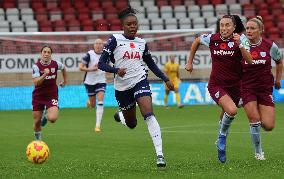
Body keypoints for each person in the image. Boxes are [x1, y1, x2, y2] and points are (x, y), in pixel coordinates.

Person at [98, 6, 174, 167]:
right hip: (122, 87)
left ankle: (160, 154)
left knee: (148, 113)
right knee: (132, 124)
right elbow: (101, 63)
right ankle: (122, 116)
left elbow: (150, 63)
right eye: (129, 24)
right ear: (123, 26)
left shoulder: (142, 43)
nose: (133, 26)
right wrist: (116, 70)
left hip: (140, 80)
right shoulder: (114, 40)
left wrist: (165, 78)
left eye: (135, 24)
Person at [185, 15, 252, 163]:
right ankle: (222, 138)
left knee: (225, 114)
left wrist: (240, 44)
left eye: (227, 25)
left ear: (234, 27)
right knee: (232, 110)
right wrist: (190, 62)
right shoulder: (213, 38)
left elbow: (249, 60)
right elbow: (196, 41)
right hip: (216, 85)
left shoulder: (242, 40)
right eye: (222, 25)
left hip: (235, 87)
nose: (224, 28)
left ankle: (220, 138)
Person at [242, 16, 283, 160]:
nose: (249, 30)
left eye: (252, 28)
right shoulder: (241, 46)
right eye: (247, 28)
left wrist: (278, 80)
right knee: (254, 119)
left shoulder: (270, 45)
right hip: (246, 88)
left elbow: (279, 62)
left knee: (268, 125)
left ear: (261, 30)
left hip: (265, 89)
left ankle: (258, 112)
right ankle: (258, 152)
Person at [32, 45, 67, 141]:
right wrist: (44, 74)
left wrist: (65, 80)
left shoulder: (56, 64)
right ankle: (38, 141)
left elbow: (64, 68)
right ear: (41, 53)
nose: (46, 54)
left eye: (48, 52)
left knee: (53, 118)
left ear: (51, 54)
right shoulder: (36, 66)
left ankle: (46, 115)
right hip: (38, 96)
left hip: (51, 95)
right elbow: (36, 82)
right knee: (37, 123)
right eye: (44, 52)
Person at [79, 39, 106, 132]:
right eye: (96, 44)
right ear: (94, 45)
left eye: (100, 44)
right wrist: (92, 69)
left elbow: (109, 66)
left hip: (101, 80)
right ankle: (89, 102)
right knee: (93, 104)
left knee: (101, 101)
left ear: (103, 45)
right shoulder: (89, 55)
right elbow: (81, 67)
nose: (98, 45)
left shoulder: (106, 55)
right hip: (89, 81)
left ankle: (97, 126)